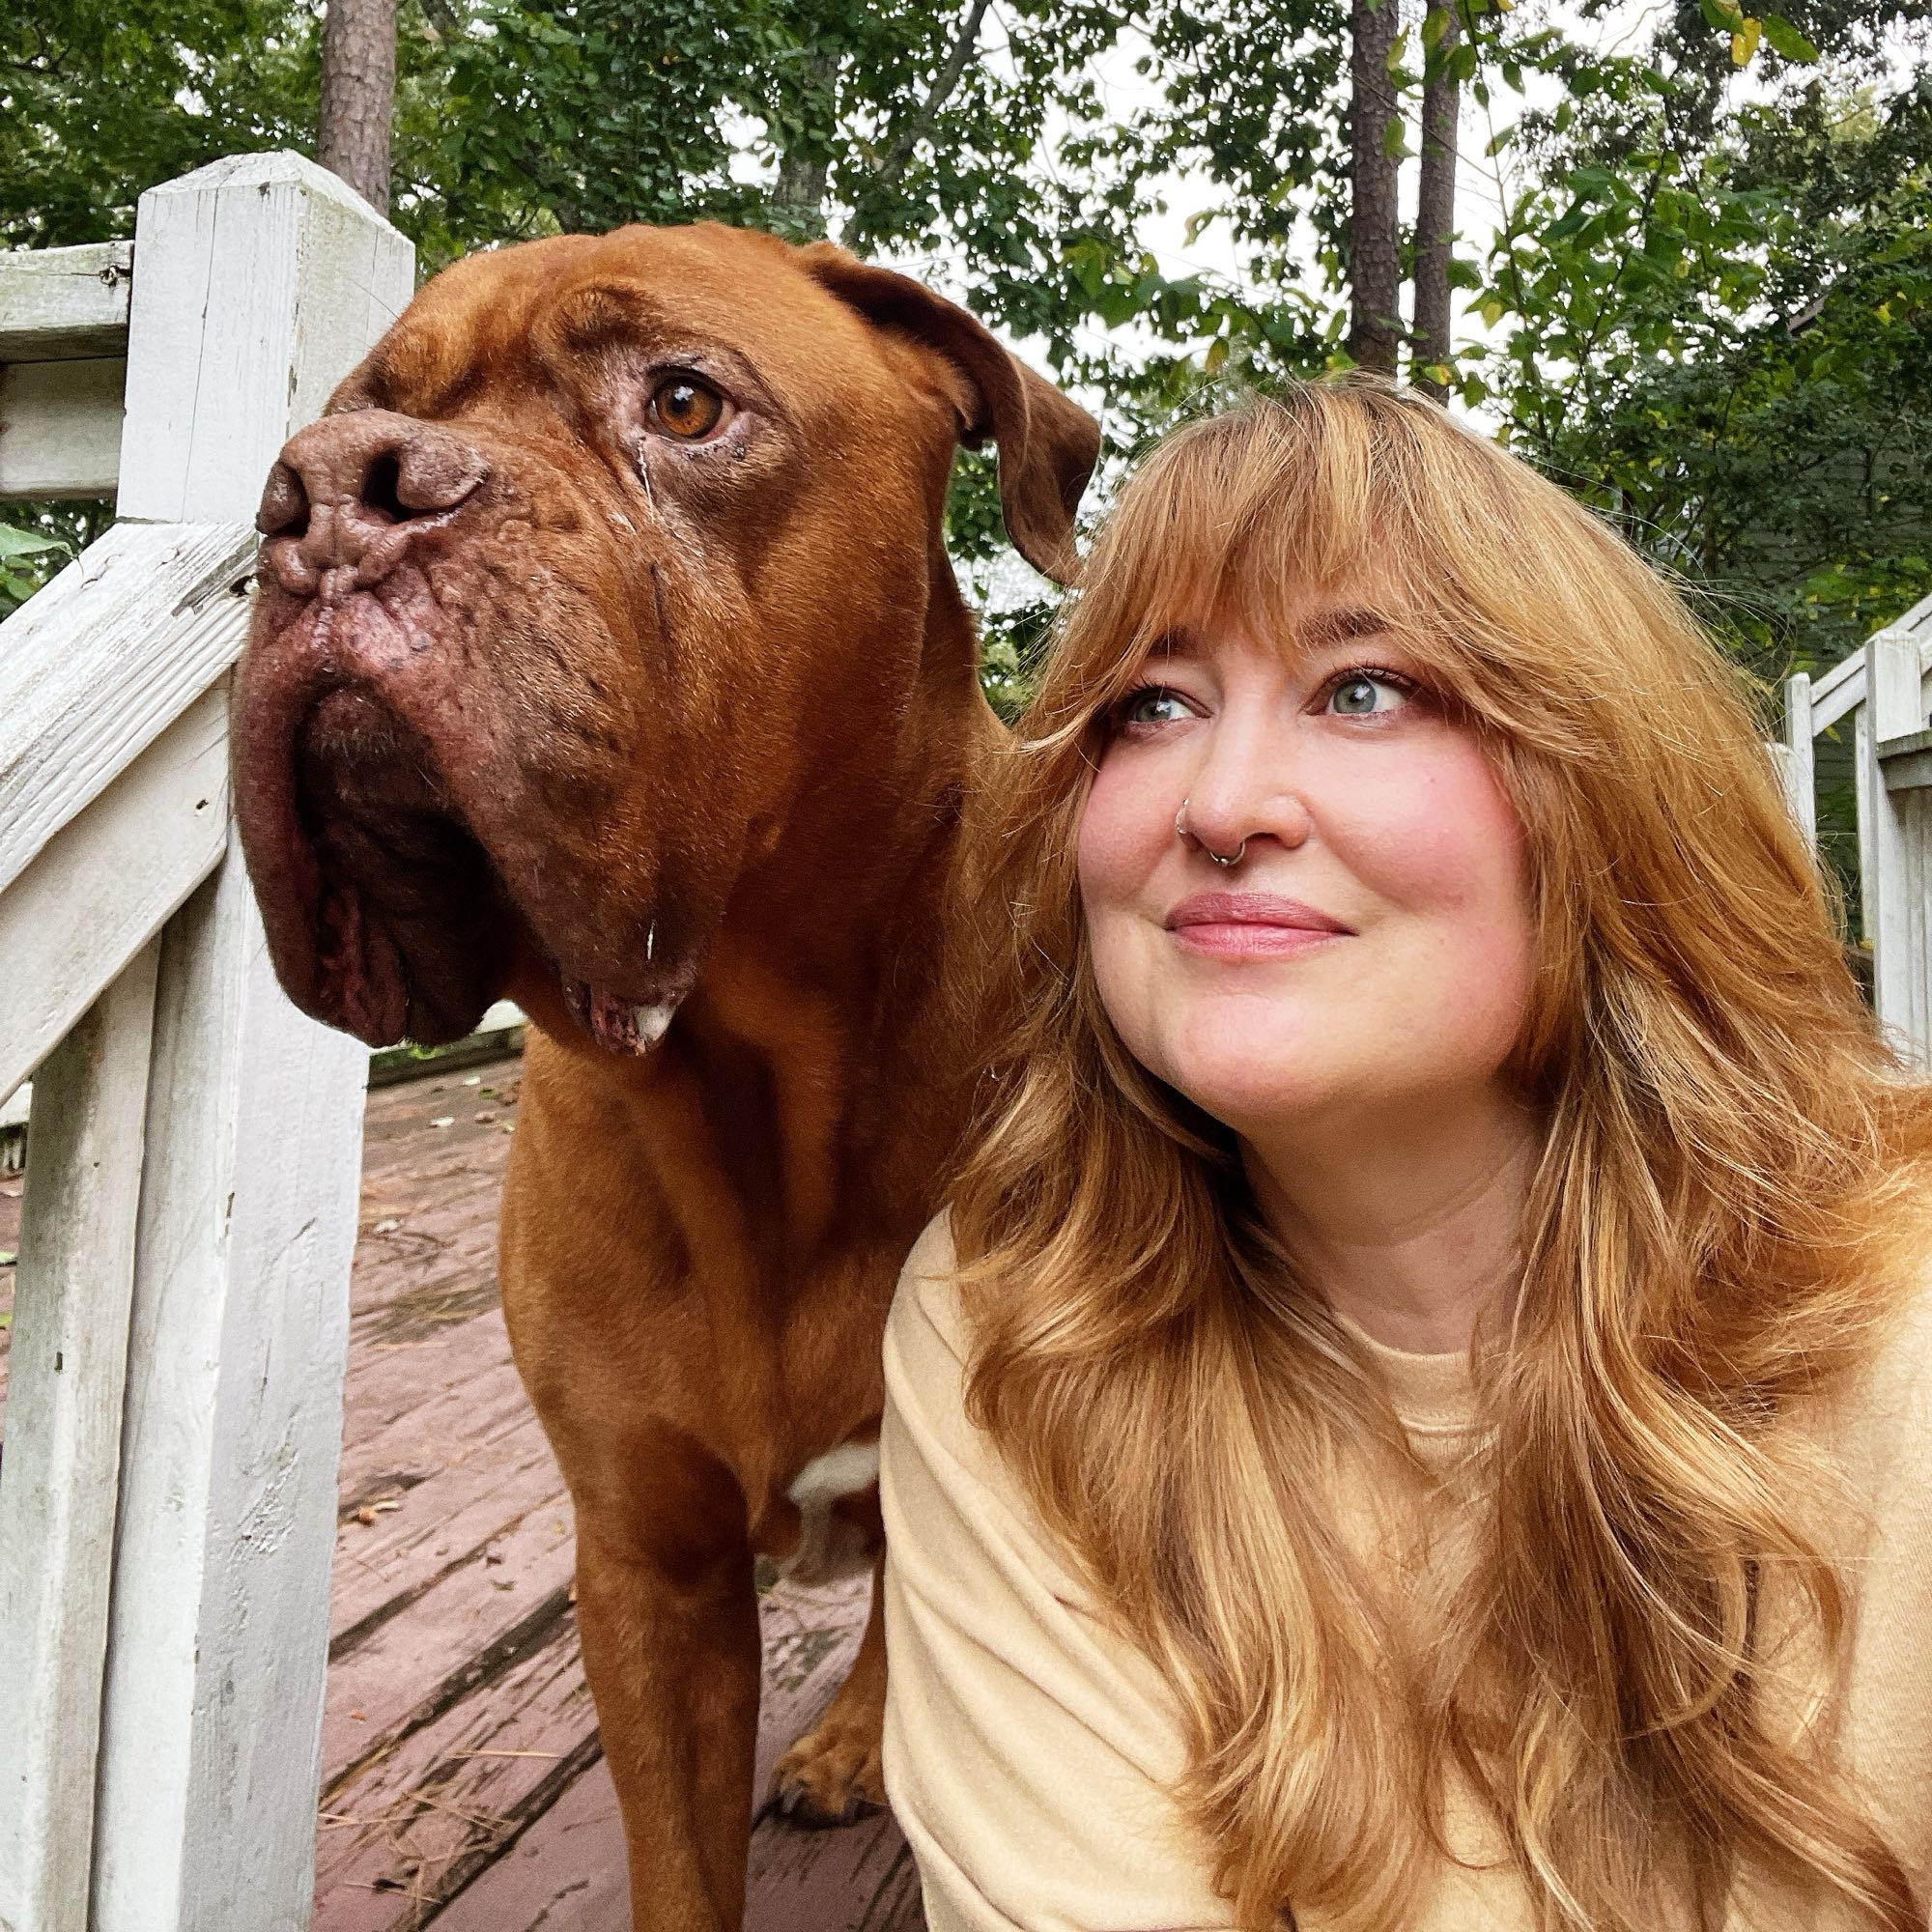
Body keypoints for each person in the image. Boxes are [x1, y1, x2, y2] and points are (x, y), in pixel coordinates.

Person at [876, 380, 1932, 1932]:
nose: (1222, 804)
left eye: (1364, 689)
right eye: (1151, 707)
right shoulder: (1015, 1321)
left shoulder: (1904, 1324)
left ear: (1603, 790)